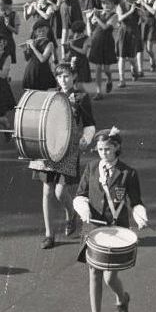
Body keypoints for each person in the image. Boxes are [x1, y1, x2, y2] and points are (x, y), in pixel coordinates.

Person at [73, 128, 149, 312]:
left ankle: (122, 297)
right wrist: (83, 208)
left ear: (116, 148)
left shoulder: (128, 173)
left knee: (110, 277)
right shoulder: (91, 168)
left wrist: (140, 216)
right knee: (94, 274)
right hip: (94, 229)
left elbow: (136, 202)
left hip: (117, 230)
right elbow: (80, 195)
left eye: (107, 149)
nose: (103, 153)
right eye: (99, 149)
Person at [37, 63, 96, 249]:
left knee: (60, 191)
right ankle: (49, 234)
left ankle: (70, 214)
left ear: (74, 76)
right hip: (48, 147)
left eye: (67, 76)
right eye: (60, 76)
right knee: (47, 191)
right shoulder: (50, 94)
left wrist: (86, 139)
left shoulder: (81, 97)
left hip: (69, 148)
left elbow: (89, 124)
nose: (63, 80)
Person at [86, 0, 118, 97]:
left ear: (113, 4)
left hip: (107, 43)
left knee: (106, 69)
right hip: (97, 41)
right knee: (98, 68)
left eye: (108, 3)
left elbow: (105, 27)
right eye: (103, 3)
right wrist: (89, 19)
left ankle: (109, 79)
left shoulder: (114, 15)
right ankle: (99, 92)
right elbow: (91, 29)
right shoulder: (98, 14)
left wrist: (96, 18)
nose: (105, 6)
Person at [22, 18, 56, 91]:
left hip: (42, 72)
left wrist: (33, 47)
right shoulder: (34, 42)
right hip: (31, 71)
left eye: (43, 31)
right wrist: (25, 49)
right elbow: (27, 58)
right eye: (39, 31)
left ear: (47, 31)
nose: (41, 33)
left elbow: (42, 59)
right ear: (35, 33)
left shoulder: (50, 44)